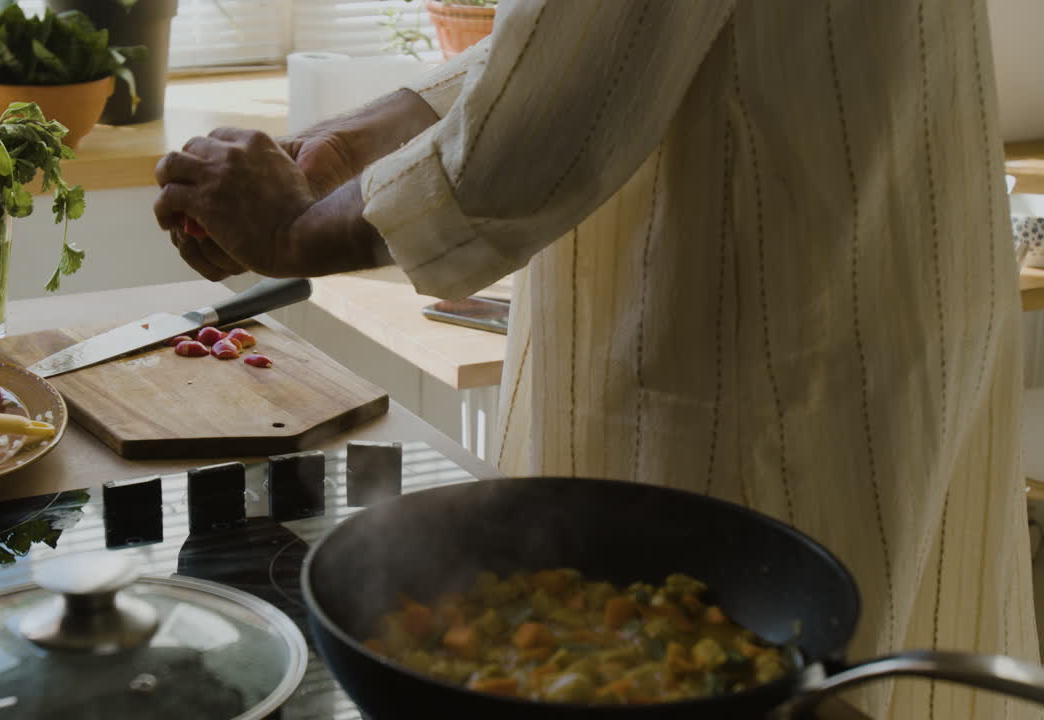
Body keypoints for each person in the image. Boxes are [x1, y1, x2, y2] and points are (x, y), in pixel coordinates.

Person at [152, 2, 1039, 717]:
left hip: (768, 339)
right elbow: (573, 39)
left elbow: (545, 127)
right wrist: (350, 145)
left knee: (766, 643)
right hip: (871, 291)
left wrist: (295, 227)